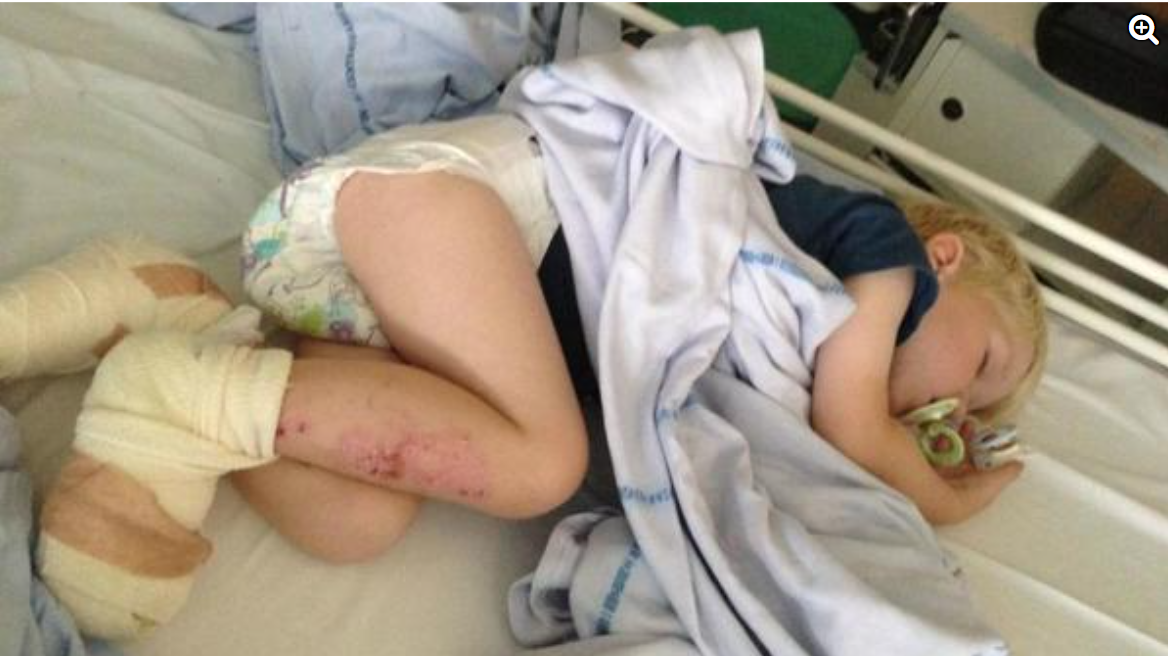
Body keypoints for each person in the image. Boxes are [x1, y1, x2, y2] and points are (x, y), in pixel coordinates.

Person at [4, 114, 1044, 639]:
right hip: (447, 205)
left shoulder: (773, 372)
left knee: (355, 521)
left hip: (386, 302)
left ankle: (181, 321)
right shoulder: (881, 255)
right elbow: (858, 430)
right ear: (945, 260)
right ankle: (166, 397)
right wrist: (951, 489)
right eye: (983, 367)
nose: (954, 405)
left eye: (974, 413)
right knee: (542, 463)